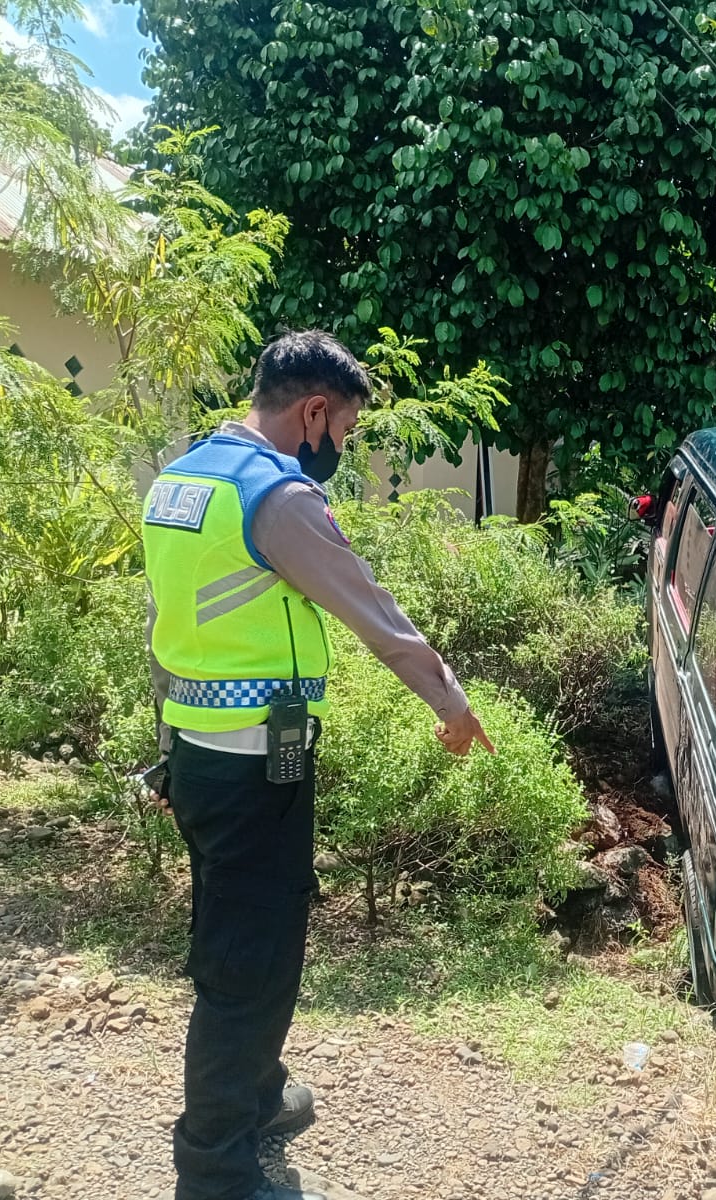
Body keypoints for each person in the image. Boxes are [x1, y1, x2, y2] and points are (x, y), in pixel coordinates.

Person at [142, 331, 493, 1200]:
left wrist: (167, 751)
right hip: (254, 766)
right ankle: (215, 1165)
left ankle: (258, 1094)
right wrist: (450, 701)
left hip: (200, 753)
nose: (341, 445)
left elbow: (174, 622)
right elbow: (373, 611)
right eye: (344, 429)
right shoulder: (278, 496)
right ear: (312, 413)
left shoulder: (185, 477)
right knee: (250, 962)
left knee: (236, 935)